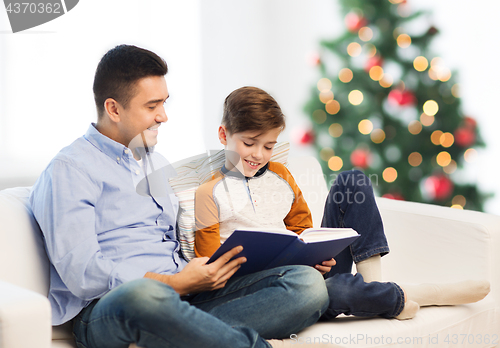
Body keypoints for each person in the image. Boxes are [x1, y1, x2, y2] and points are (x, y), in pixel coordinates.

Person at [29, 45, 330, 348]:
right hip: (112, 308)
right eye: (152, 106)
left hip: (187, 297)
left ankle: (176, 335)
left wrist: (203, 274)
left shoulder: (156, 163)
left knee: (305, 284)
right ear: (114, 109)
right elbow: (83, 274)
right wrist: (173, 283)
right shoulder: (70, 170)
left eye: (164, 104)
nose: (163, 116)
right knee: (144, 296)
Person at [194, 86, 490, 321]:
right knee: (331, 291)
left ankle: (374, 290)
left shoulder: (281, 175)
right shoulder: (209, 194)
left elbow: (303, 232)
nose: (258, 154)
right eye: (249, 143)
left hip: (309, 273)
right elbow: (211, 272)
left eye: (269, 146)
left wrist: (317, 255)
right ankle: (414, 295)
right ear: (224, 135)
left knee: (352, 182)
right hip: (279, 290)